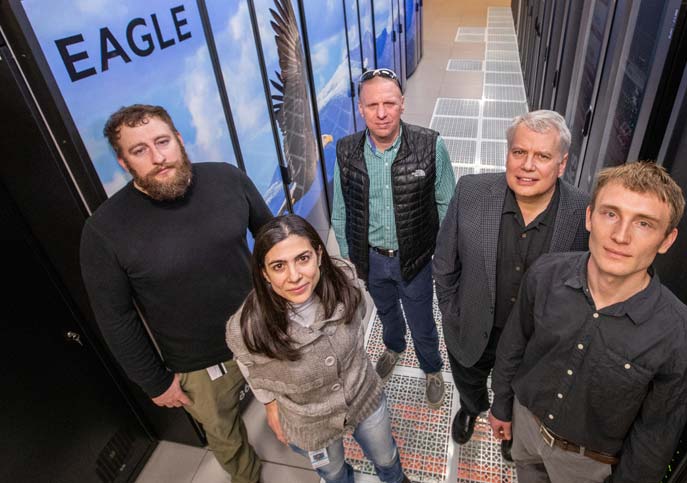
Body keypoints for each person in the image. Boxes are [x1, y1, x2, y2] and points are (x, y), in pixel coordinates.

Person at [79, 104, 271, 483]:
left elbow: (272, 241)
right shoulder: (104, 232)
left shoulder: (227, 179)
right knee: (224, 436)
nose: (157, 157)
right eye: (139, 150)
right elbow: (116, 317)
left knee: (295, 403)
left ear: (179, 140)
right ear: (124, 163)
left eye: (162, 141)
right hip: (198, 364)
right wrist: (153, 380)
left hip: (263, 331)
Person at [489, 162, 687, 483]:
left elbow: (654, 438)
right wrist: (501, 404)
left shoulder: (683, 337)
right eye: (610, 214)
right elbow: (514, 345)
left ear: (666, 240)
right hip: (526, 428)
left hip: (588, 466)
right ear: (589, 217)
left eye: (644, 224)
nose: (621, 235)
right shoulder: (545, 274)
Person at [433, 110, 589, 461]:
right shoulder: (471, 192)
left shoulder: (583, 213)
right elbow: (444, 262)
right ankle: (471, 408)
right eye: (519, 152)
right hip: (472, 325)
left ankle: (510, 429)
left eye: (542, 156)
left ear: (561, 165)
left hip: (534, 341)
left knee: (520, 395)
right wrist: (452, 311)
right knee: (469, 380)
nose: (527, 165)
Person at [226, 215, 411, 483]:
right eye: (279, 266)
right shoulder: (249, 327)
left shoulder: (345, 281)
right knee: (332, 472)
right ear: (264, 273)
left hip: (363, 395)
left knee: (386, 456)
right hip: (308, 420)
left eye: (303, 258)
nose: (295, 276)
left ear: (319, 255)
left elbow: (360, 312)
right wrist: (269, 405)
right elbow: (249, 364)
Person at [331, 68, 456, 408]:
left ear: (403, 103)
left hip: (413, 259)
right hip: (370, 259)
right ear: (360, 109)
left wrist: (443, 259)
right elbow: (341, 212)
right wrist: (348, 262)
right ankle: (394, 347)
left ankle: (431, 368)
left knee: (422, 320)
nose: (381, 113)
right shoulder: (345, 151)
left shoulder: (431, 145)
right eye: (372, 105)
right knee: (385, 311)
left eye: (389, 103)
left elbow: (448, 205)